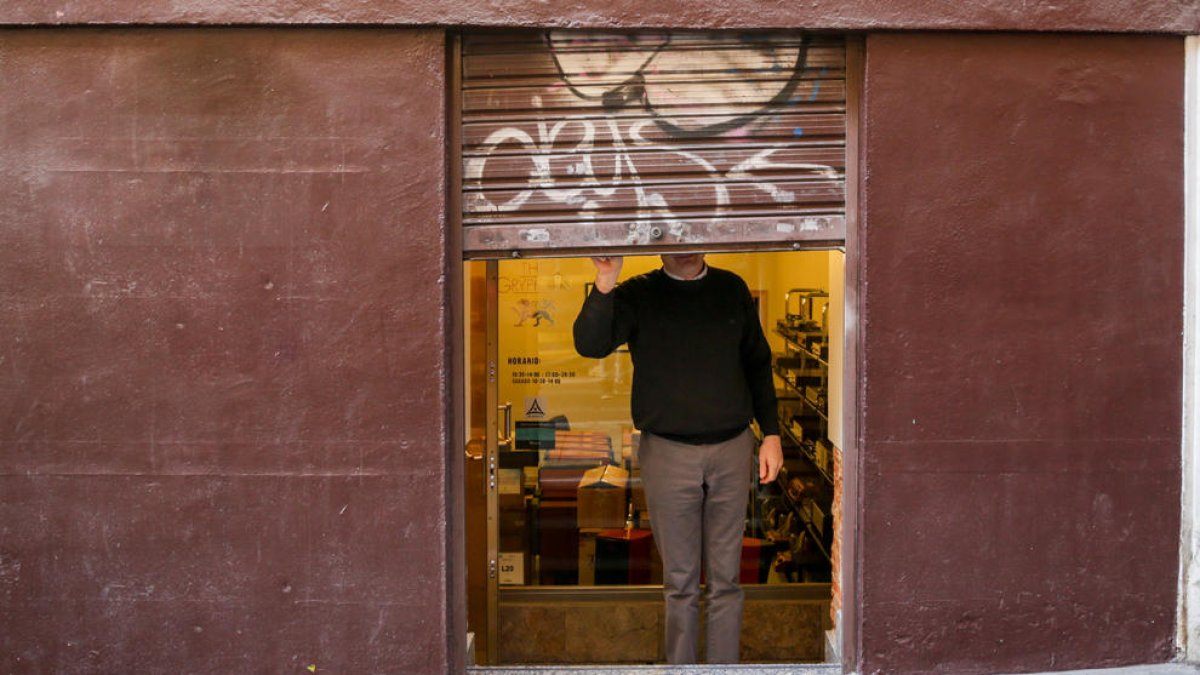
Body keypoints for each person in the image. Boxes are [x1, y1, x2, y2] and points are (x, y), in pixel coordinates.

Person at [573, 252, 783, 665]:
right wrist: (605, 280)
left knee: (727, 581)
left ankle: (724, 670)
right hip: (666, 452)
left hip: (732, 448)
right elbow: (590, 344)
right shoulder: (638, 292)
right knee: (680, 582)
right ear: (658, 241)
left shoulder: (731, 288)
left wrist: (771, 433)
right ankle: (682, 669)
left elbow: (757, 363)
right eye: (673, 233)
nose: (684, 243)